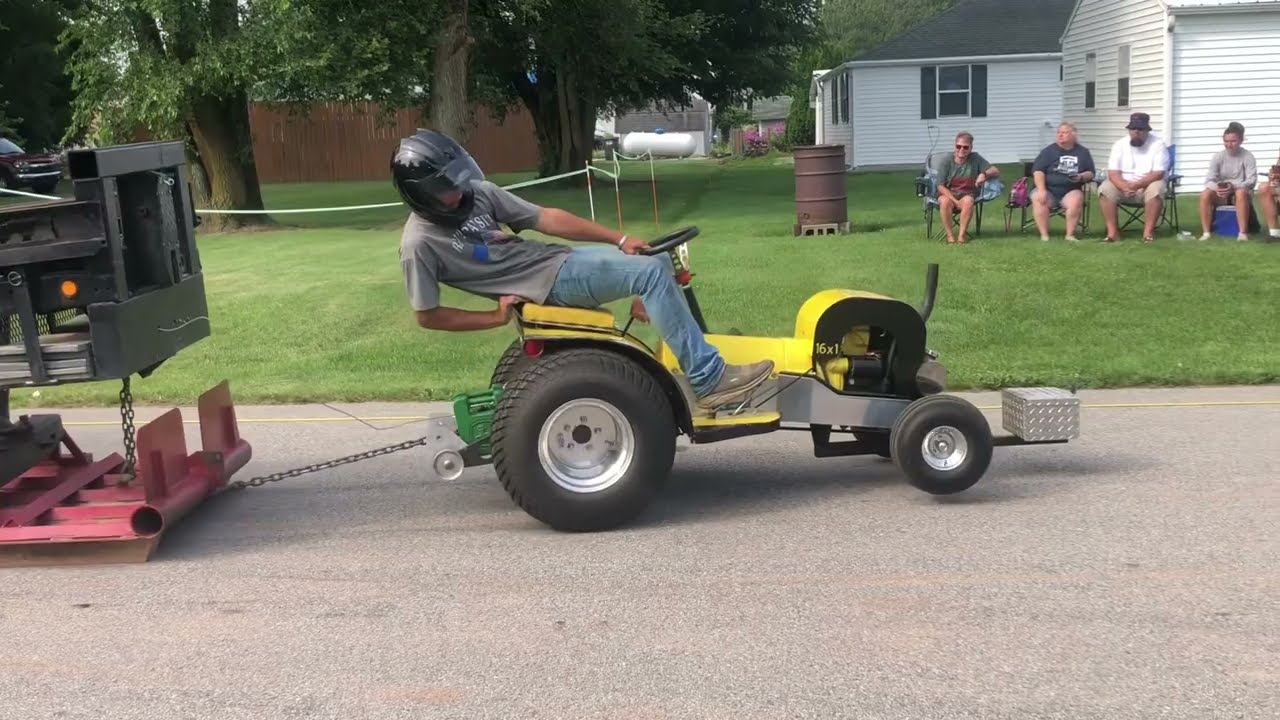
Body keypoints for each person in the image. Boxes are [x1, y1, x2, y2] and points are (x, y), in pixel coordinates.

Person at [392, 129, 774, 411]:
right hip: (548, 284)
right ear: (420, 194)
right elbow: (428, 315)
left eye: (459, 180)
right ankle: (710, 381)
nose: (459, 191)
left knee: (655, 259)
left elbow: (546, 218)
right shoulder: (420, 244)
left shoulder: (478, 195)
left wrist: (619, 239)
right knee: (652, 272)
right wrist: (493, 318)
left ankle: (665, 319)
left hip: (557, 262)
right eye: (447, 189)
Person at [1098, 112, 1168, 243]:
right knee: (1105, 188)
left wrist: (1135, 186)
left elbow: (1158, 173)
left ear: (1147, 130)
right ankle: (1112, 233)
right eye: (1133, 128)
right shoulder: (1119, 145)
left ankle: (1148, 234)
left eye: (1140, 129)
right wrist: (1124, 186)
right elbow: (1113, 172)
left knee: (1157, 188)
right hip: (1122, 186)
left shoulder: (1158, 145)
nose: (1136, 132)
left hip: (1146, 187)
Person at [1030, 121, 1095, 242]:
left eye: (1064, 133)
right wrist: (1041, 189)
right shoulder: (1048, 151)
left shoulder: (1083, 152)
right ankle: (1044, 235)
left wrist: (1081, 177)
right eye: (1058, 132)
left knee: (1076, 199)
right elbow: (1038, 171)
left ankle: (1070, 235)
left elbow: (1091, 173)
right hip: (1048, 189)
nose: (1060, 135)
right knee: (1038, 197)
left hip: (1070, 190)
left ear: (1073, 135)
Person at [935, 131, 999, 244]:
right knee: (944, 202)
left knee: (969, 201)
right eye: (958, 146)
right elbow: (940, 186)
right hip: (948, 194)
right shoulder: (946, 160)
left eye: (965, 147)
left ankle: (961, 236)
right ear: (954, 145)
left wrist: (984, 174)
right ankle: (950, 236)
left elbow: (995, 170)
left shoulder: (976, 158)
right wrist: (955, 201)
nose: (961, 150)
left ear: (971, 148)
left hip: (967, 193)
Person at [1197, 122, 1256, 242]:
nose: (1229, 144)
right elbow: (1209, 180)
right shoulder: (1218, 157)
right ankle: (1206, 233)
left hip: (1240, 192)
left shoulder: (1247, 156)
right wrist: (1217, 188)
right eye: (1226, 141)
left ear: (1240, 141)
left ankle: (1242, 233)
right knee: (1205, 194)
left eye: (1233, 141)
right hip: (1221, 192)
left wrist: (1233, 186)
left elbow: (1252, 181)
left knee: (1240, 193)